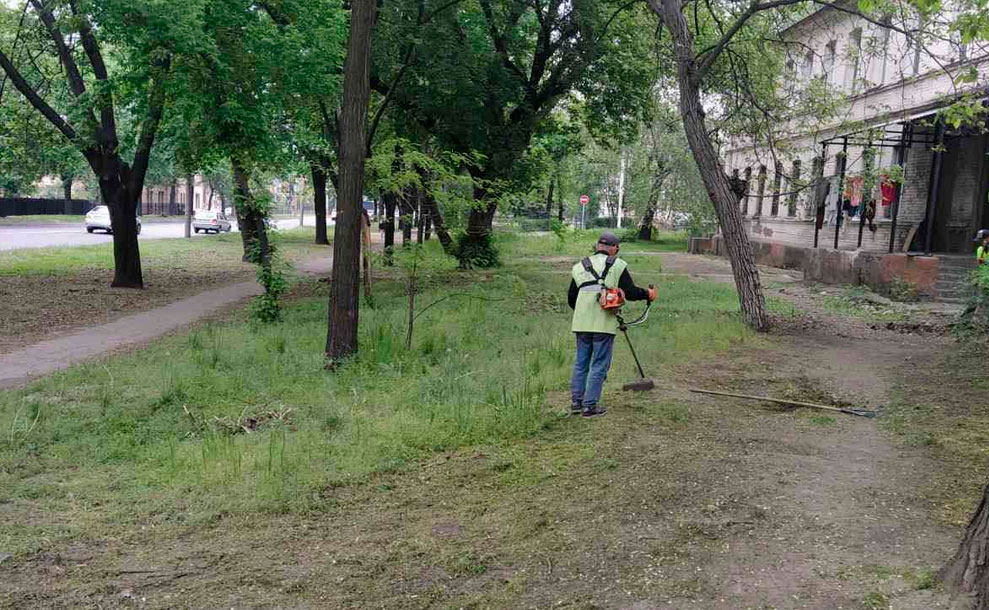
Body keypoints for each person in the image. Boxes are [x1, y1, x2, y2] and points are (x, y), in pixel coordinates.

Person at [566, 231, 657, 418]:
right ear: (614, 248)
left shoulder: (579, 267)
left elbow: (571, 299)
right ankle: (590, 407)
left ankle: (576, 402)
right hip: (603, 324)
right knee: (599, 365)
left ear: (597, 246)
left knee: (581, 363)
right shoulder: (618, 265)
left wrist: (585, 310)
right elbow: (630, 292)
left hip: (581, 323)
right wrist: (647, 294)